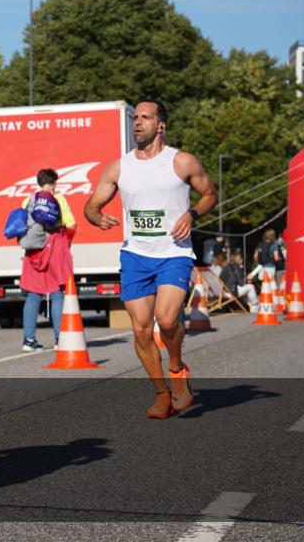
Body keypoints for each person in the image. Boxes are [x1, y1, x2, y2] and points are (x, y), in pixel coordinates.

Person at [84, 99, 216, 419]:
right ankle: (161, 394)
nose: (137, 122)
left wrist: (193, 213)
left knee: (167, 320)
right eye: (134, 117)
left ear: (161, 125)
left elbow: (210, 193)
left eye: (145, 117)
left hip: (173, 252)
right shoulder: (119, 166)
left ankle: (176, 369)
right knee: (142, 331)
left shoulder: (181, 162)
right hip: (135, 255)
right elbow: (91, 205)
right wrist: (95, 216)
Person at [19, 169, 76, 352]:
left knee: (33, 295)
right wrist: (66, 244)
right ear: (53, 183)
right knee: (57, 292)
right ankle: (60, 339)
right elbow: (71, 225)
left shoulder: (28, 200)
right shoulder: (58, 200)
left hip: (34, 251)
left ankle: (28, 340)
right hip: (55, 247)